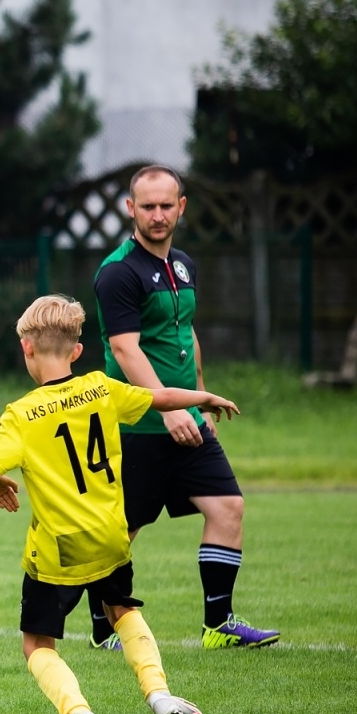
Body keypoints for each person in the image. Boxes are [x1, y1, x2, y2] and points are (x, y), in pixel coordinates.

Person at [0, 295, 241, 714]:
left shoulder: (21, 415)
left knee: (36, 644)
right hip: (112, 536)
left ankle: (76, 713)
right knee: (123, 610)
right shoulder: (101, 388)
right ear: (76, 350)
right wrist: (204, 396)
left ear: (26, 349)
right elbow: (160, 397)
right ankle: (159, 693)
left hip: (60, 549)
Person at [88, 165, 281, 651]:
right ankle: (103, 628)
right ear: (131, 209)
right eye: (147, 206)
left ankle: (219, 625)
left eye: (166, 205)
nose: (157, 215)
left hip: (187, 420)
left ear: (181, 207)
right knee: (120, 532)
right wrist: (167, 408)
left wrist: (199, 399)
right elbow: (127, 349)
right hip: (137, 427)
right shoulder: (118, 272)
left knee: (227, 507)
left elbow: (185, 334)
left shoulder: (184, 266)